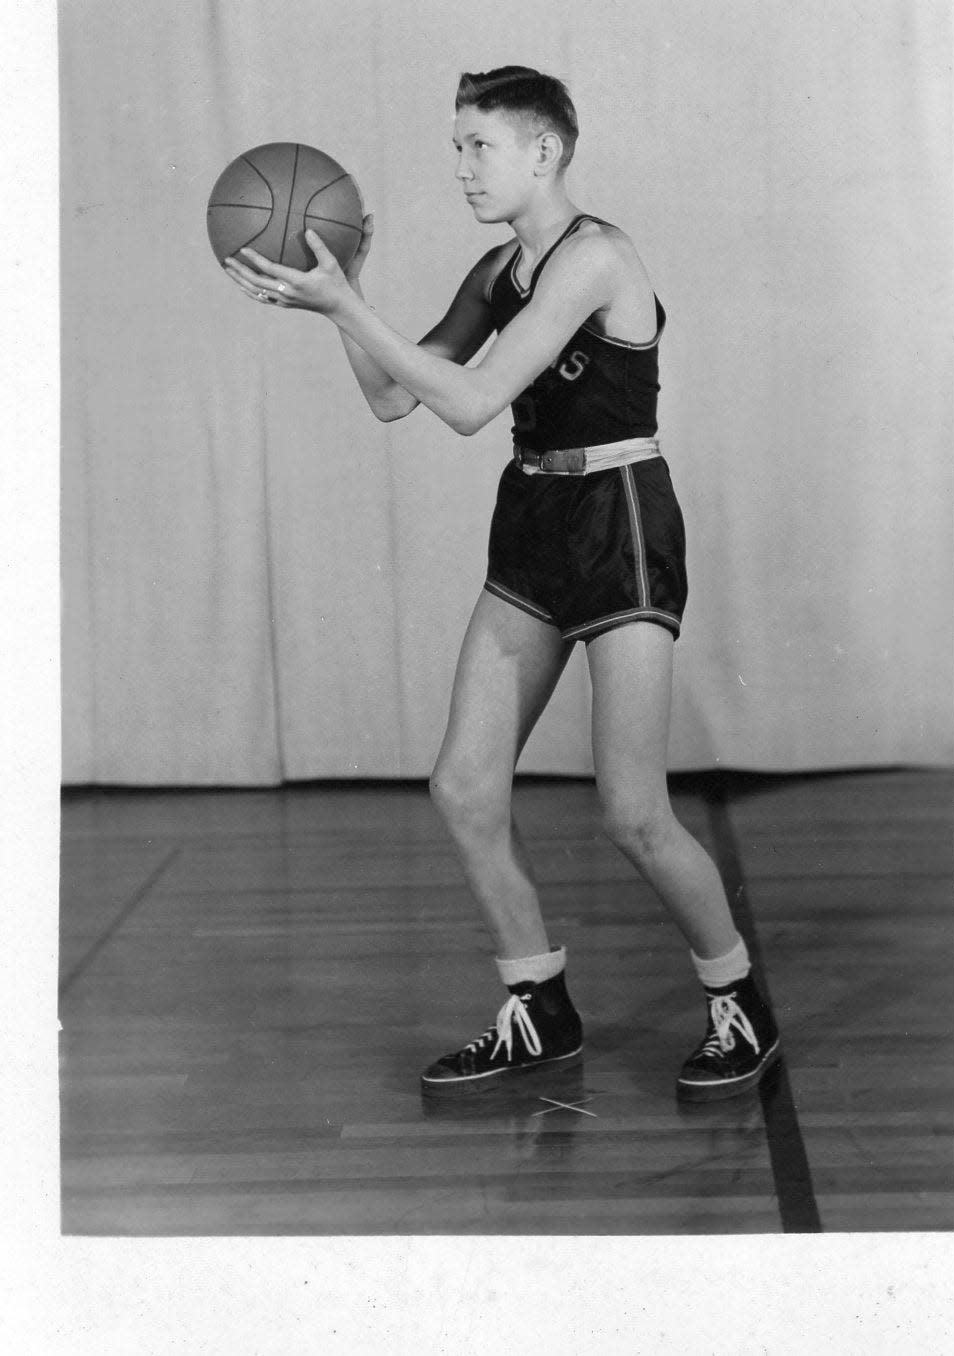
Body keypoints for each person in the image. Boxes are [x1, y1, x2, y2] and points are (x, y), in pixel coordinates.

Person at [224, 66, 780, 1102]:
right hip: (533, 521)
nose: (463, 166)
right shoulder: (497, 270)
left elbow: (474, 400)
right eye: (456, 146)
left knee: (633, 811)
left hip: (621, 520)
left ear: (546, 152)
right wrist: (339, 302)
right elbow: (395, 396)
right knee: (464, 786)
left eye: (480, 145)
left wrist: (350, 302)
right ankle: (539, 1005)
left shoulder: (597, 257)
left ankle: (735, 994)